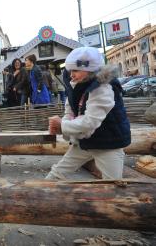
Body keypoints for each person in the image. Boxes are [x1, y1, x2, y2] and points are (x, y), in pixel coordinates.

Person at [46, 47, 131, 180]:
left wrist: (62, 125)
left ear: (90, 69)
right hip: (85, 141)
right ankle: (41, 192)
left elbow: (90, 122)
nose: (71, 75)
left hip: (108, 144)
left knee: (114, 185)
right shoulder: (77, 84)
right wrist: (62, 125)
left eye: (75, 70)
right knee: (56, 174)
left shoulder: (103, 88)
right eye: (70, 71)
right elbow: (70, 111)